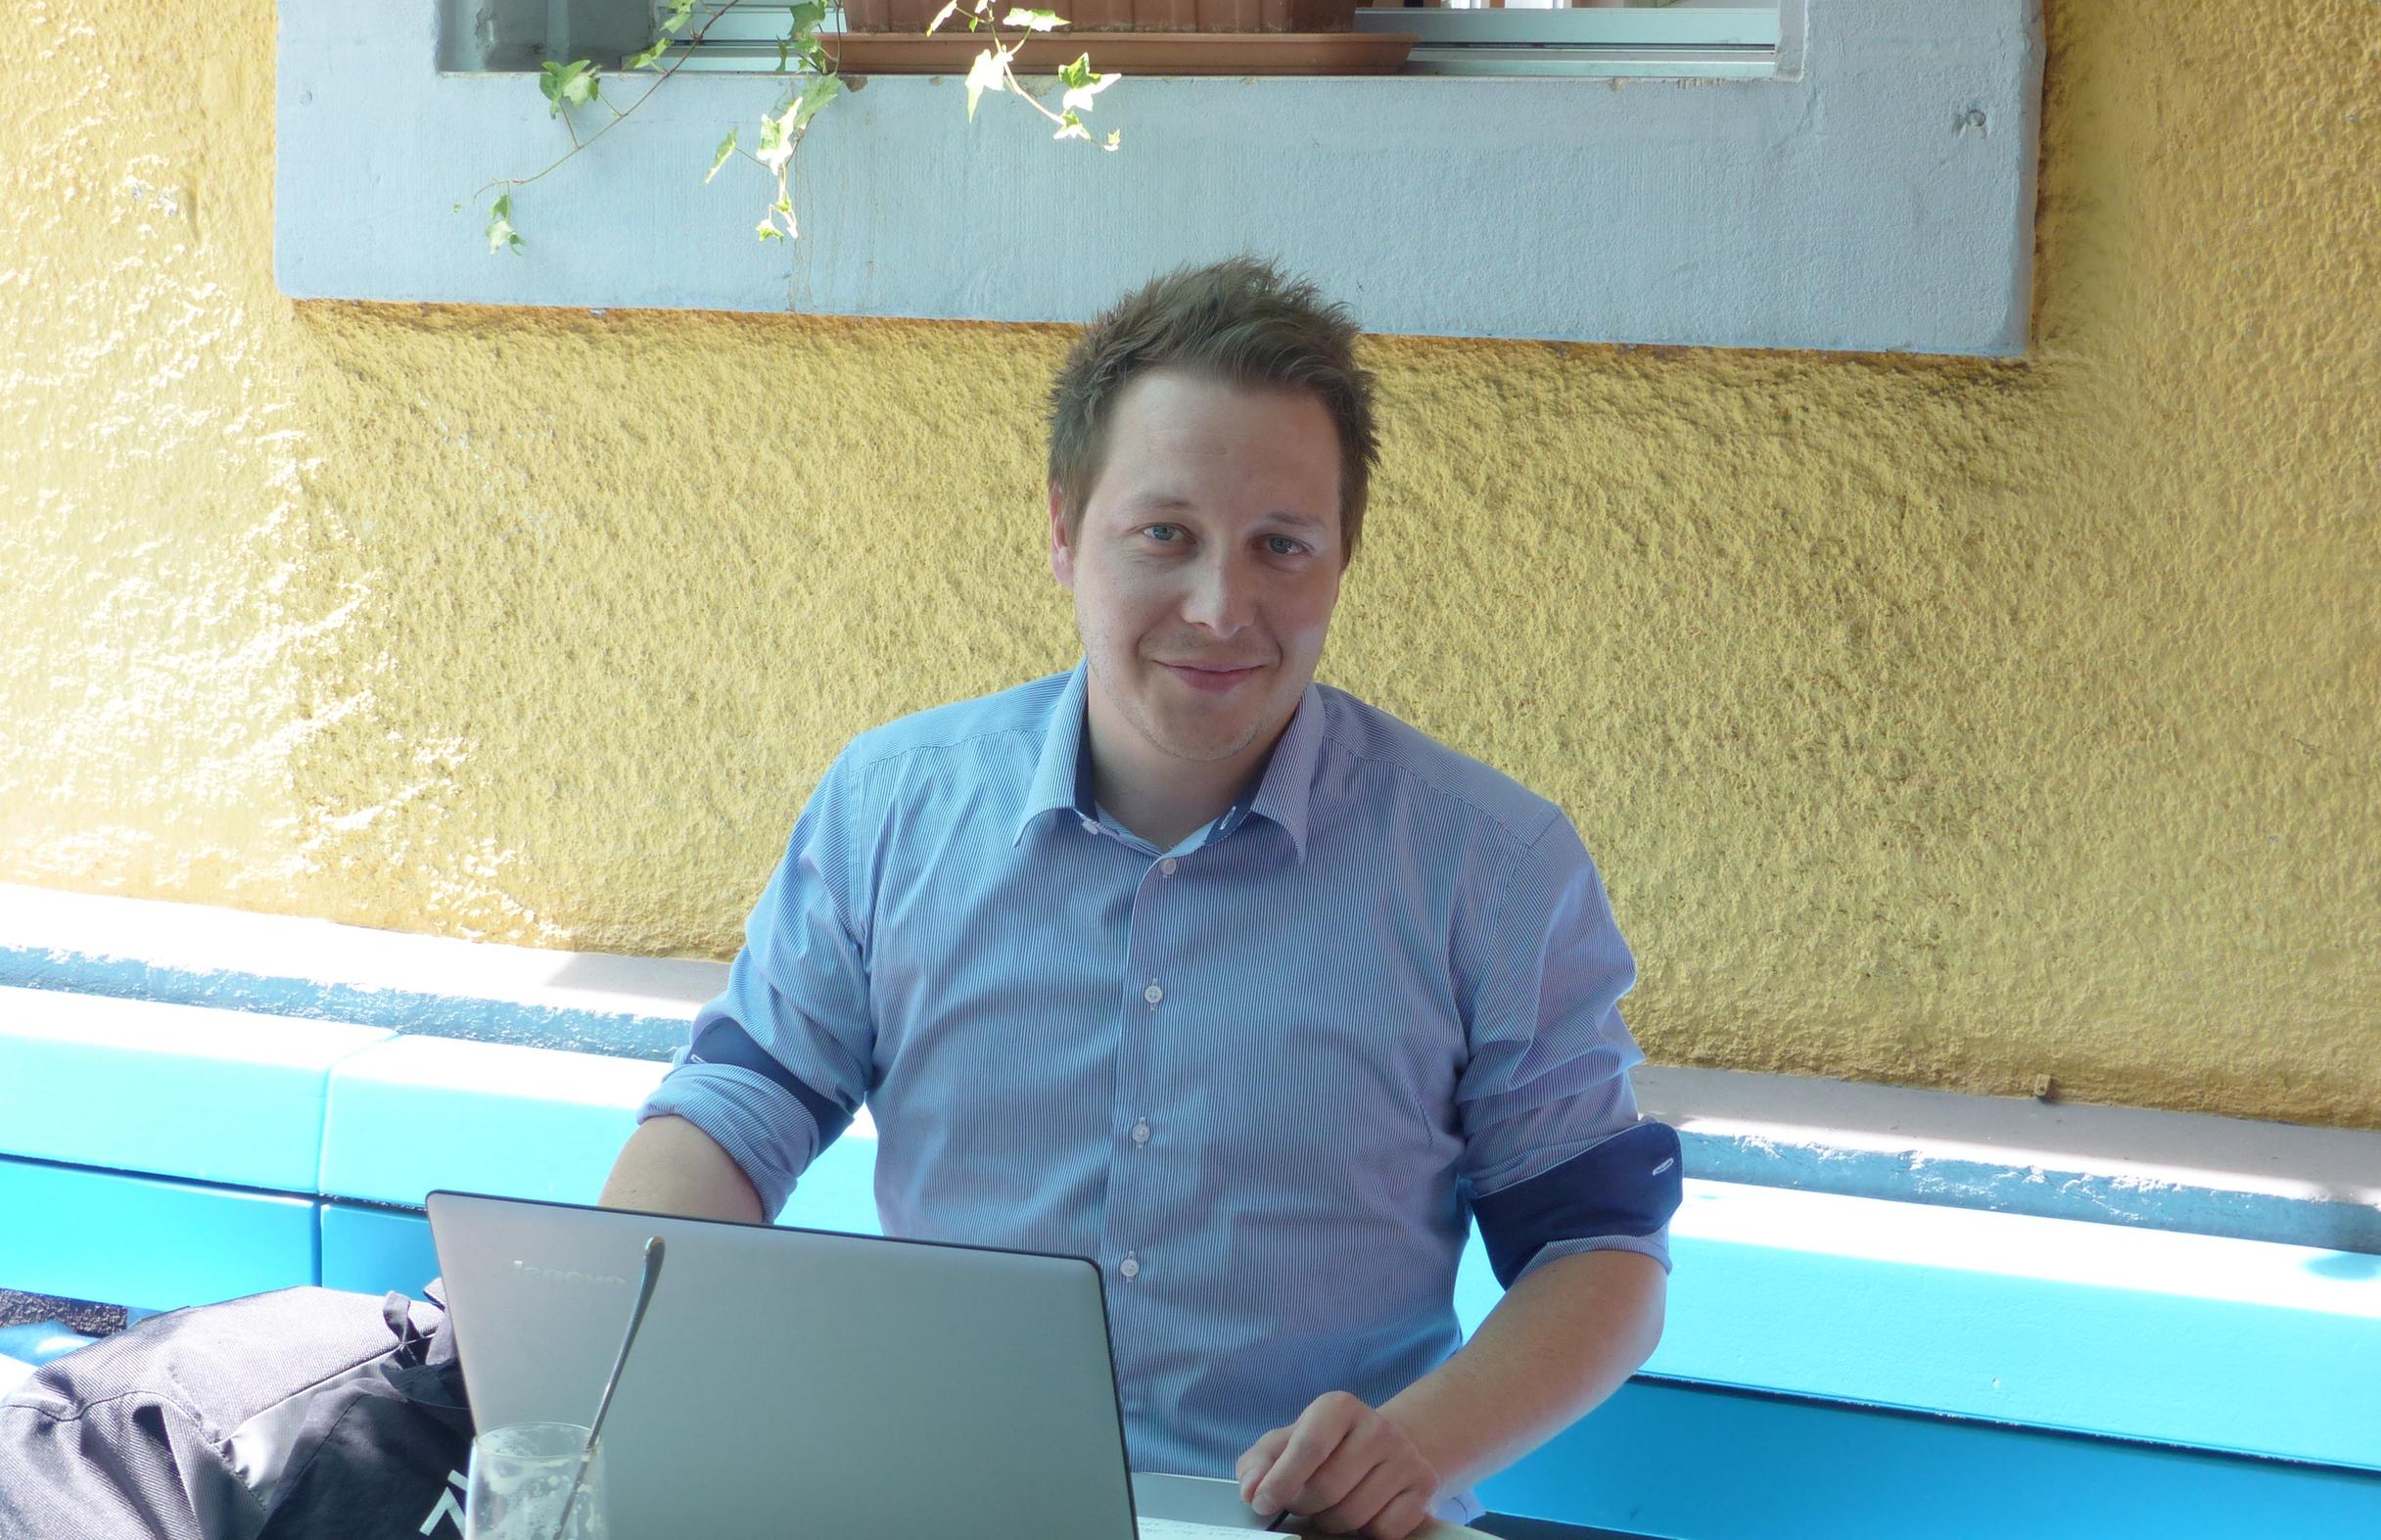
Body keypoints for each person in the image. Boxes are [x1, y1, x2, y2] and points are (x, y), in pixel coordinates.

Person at [600, 257, 1681, 1538]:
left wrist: (1406, 1453)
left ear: (1341, 560)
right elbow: (732, 1118)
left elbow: (1600, 1254)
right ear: (1062, 529)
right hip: (941, 1509)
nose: (1223, 608)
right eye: (1163, 535)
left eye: (1282, 546)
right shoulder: (894, 807)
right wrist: (612, 1359)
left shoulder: (1490, 870)